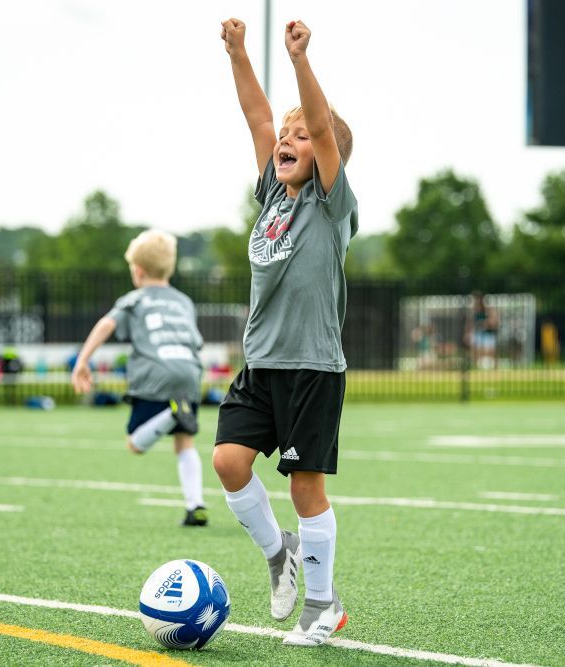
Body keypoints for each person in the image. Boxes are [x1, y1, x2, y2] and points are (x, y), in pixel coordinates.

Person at [214, 17, 356, 647]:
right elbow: (256, 117)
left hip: (312, 366)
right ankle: (280, 555)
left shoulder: (330, 201)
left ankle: (323, 607)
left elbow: (322, 128)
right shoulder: (272, 191)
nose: (288, 139)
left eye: (302, 136)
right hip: (261, 362)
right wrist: (240, 52)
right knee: (227, 461)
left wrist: (301, 59)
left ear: (328, 156)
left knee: (305, 486)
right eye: (287, 135)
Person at [70, 230, 208, 527]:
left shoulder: (134, 299)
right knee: (185, 442)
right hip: (189, 374)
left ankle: (172, 414)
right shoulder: (184, 301)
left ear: (139, 270)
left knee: (135, 443)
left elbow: (106, 324)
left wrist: (83, 360)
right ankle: (196, 505)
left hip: (156, 376)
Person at [466, 291, 499, 369]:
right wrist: (467, 334)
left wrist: (487, 323)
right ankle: (476, 365)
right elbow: (469, 325)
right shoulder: (473, 312)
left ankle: (494, 366)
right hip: (477, 334)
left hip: (488, 334)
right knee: (474, 349)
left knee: (490, 351)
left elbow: (495, 322)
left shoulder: (489, 310)